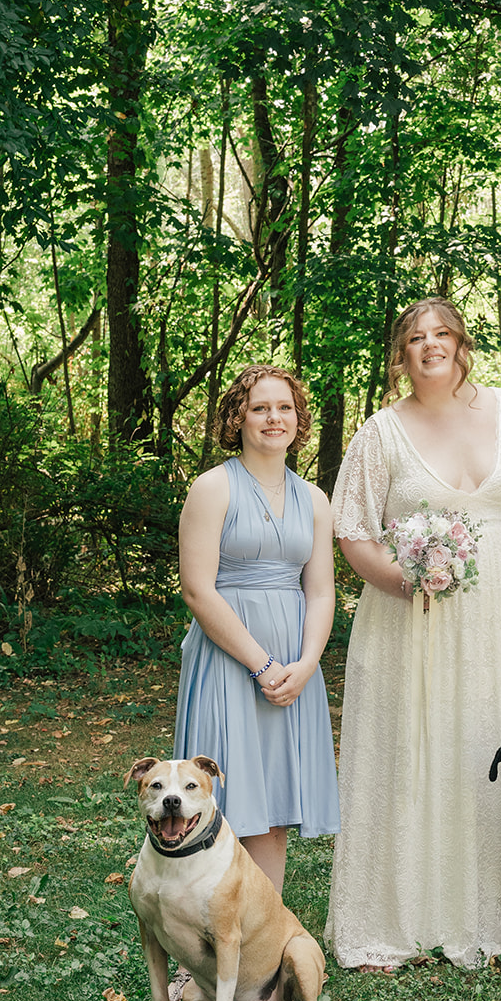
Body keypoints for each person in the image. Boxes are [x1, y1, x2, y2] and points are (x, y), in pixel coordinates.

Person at [327, 297, 501, 968]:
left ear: (461, 343)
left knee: (489, 739)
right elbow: (354, 531)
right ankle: (399, 916)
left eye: (442, 334)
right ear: (401, 352)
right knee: (415, 746)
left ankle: (498, 917)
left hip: (500, 610)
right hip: (409, 617)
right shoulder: (380, 432)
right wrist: (403, 581)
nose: (430, 345)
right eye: (416, 337)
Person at [174, 365, 339, 892]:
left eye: (285, 407)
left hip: (293, 660)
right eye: (260, 407)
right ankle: (193, 962)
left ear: (299, 418)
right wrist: (261, 664)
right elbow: (198, 589)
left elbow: (320, 591)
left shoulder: (314, 499)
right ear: (237, 417)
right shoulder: (213, 487)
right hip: (230, 657)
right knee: (212, 802)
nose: (274, 418)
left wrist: (305, 664)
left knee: (271, 804)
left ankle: (259, 954)